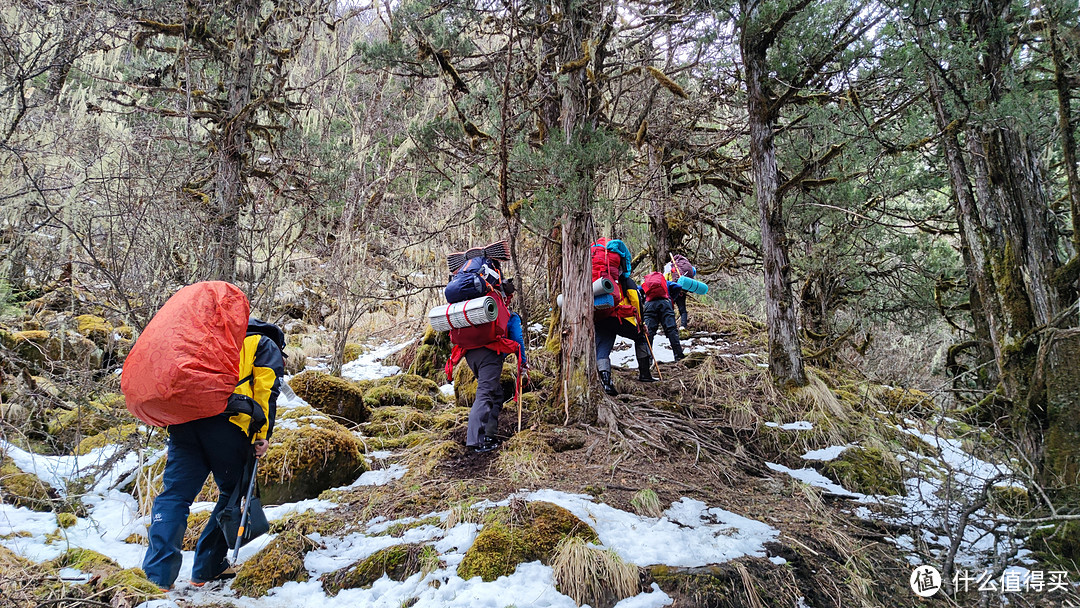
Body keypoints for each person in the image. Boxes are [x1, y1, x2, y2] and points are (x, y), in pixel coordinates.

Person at [142, 318, 285, 590]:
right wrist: (262, 435)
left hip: (185, 422)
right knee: (232, 495)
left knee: (175, 496)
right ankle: (206, 569)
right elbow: (267, 392)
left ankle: (157, 577)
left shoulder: (203, 339)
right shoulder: (263, 343)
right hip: (228, 426)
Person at [593, 238, 656, 396]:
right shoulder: (624, 281)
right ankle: (645, 374)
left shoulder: (596, 279)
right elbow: (635, 299)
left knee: (603, 348)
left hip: (600, 315)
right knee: (641, 337)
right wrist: (641, 323)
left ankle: (606, 383)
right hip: (620, 316)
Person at [641, 271, 685, 363]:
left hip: (650, 306)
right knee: (671, 330)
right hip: (665, 304)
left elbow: (638, 290)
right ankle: (679, 357)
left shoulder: (646, 284)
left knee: (649, 333)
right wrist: (672, 298)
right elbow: (678, 287)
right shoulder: (666, 282)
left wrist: (643, 300)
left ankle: (647, 360)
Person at [664, 255, 696, 329]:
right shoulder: (687, 266)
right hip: (682, 290)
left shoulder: (671, 266)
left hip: (673, 290)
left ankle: (670, 326)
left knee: (670, 309)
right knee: (682, 309)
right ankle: (683, 326)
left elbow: (665, 279)